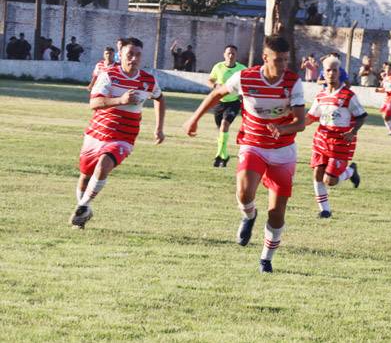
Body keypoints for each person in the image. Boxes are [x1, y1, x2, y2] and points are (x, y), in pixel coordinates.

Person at [183, 35, 305, 274]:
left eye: (285, 60)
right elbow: (217, 94)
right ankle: (249, 216)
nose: (282, 65)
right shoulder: (246, 77)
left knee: (277, 213)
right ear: (265, 58)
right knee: (243, 192)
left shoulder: (292, 82)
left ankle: (266, 259)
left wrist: (283, 128)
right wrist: (193, 119)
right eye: (277, 60)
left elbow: (300, 122)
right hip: (253, 144)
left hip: (282, 150)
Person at [69, 37, 166, 229]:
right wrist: (120, 100)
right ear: (120, 54)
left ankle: (83, 205)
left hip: (124, 136)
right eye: (130, 54)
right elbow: (94, 103)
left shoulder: (148, 80)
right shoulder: (109, 75)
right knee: (85, 176)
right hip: (97, 132)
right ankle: (83, 213)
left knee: (104, 164)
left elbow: (160, 98)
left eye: (138, 55)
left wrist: (159, 127)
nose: (134, 58)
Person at [305, 55, 366, 218]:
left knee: (330, 180)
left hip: (340, 142)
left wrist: (353, 132)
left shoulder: (348, 96)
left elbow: (362, 116)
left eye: (334, 70)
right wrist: (292, 123)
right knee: (318, 172)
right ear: (323, 74)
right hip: (321, 139)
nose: (331, 73)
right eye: (328, 70)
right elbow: (311, 117)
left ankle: (351, 172)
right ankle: (324, 210)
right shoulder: (320, 96)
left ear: (339, 72)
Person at [207, 45, 247, 167]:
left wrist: (242, 94)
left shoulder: (242, 69)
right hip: (219, 102)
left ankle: (218, 155)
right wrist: (215, 86)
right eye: (228, 53)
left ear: (236, 55)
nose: (231, 56)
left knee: (224, 125)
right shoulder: (218, 67)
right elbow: (210, 80)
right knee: (221, 131)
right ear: (224, 54)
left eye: (233, 53)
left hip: (234, 102)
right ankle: (225, 156)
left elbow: (247, 84)